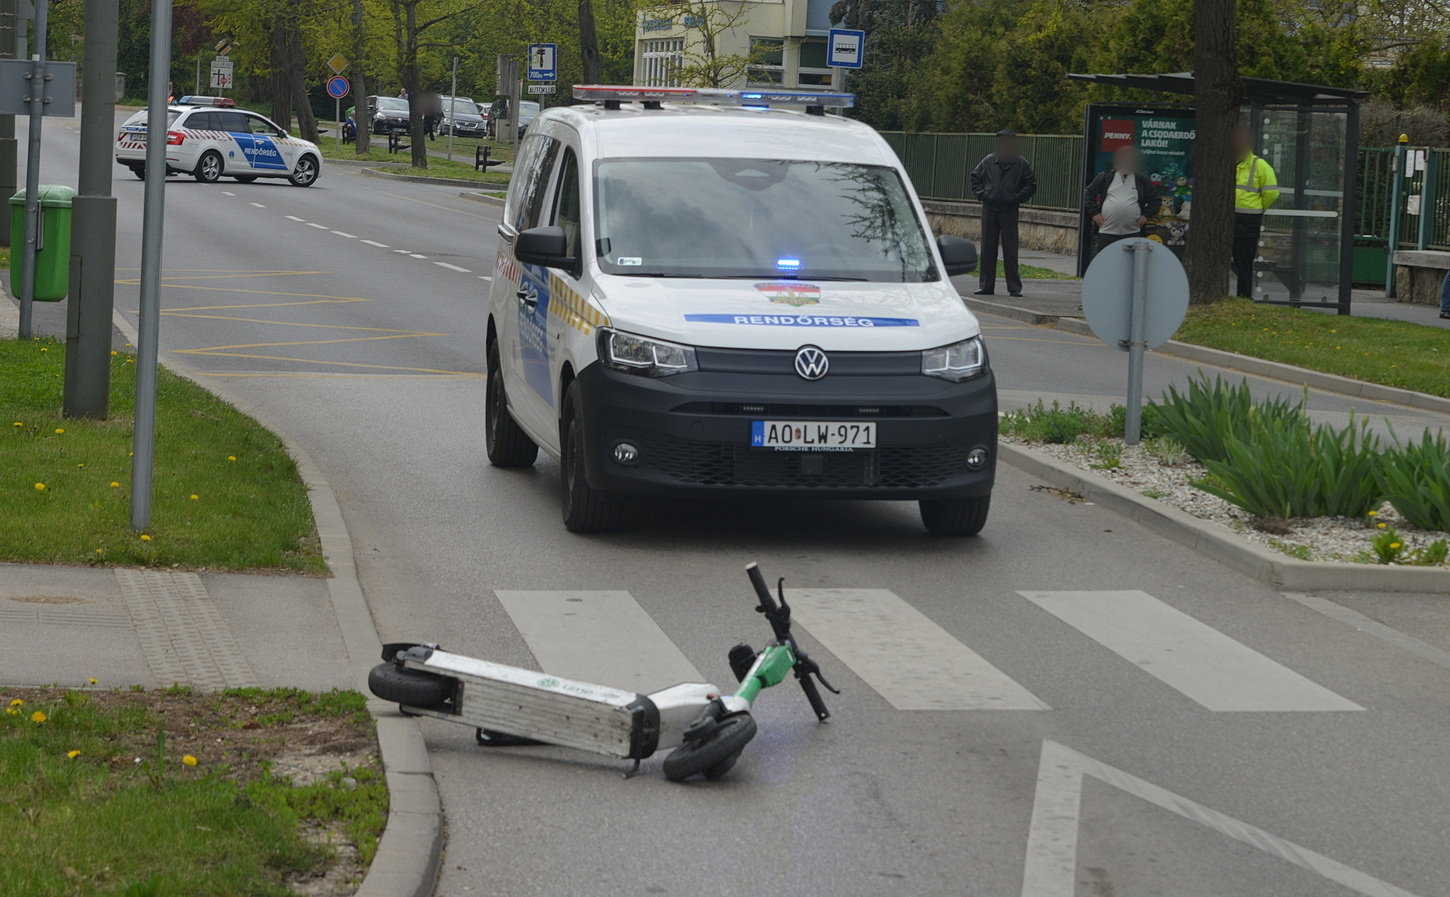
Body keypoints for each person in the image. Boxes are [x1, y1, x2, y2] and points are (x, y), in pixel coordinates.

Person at [970, 130, 1037, 297]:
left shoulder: (1021, 163)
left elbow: (1031, 184)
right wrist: (984, 195)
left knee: (1010, 249)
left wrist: (1017, 198)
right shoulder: (988, 161)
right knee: (987, 248)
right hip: (990, 208)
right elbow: (975, 178)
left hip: (1009, 210)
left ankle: (1014, 287)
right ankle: (986, 285)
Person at [1233, 125, 1280, 298]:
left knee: (1243, 262)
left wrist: (1259, 209)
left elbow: (1272, 193)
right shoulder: (1226, 162)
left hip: (1247, 220)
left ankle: (1244, 297)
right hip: (1229, 220)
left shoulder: (1259, 165)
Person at [1083, 146, 1154, 253]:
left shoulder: (1142, 180)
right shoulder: (1106, 177)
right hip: (1107, 232)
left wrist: (1146, 215)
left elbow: (1155, 199)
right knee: (1105, 262)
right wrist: (1095, 213)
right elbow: (1088, 193)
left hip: (1132, 232)